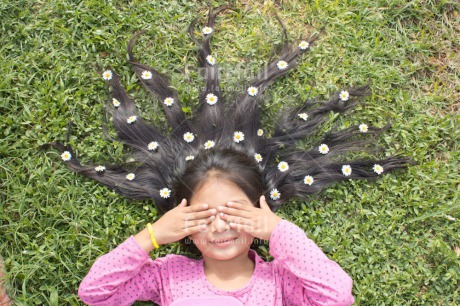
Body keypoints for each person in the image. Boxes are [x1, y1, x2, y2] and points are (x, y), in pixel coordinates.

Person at [45, 5, 411, 305]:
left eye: (234, 213)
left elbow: (337, 297)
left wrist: (279, 232)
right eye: (204, 216)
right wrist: (152, 237)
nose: (220, 228)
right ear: (182, 219)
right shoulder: (166, 274)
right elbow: (95, 294)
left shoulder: (282, 279)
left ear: (259, 209)